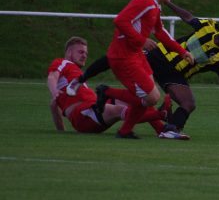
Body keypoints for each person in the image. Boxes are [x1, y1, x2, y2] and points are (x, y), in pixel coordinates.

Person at [68, 1, 219, 133]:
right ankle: (84, 78)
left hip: (175, 75)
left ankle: (170, 129)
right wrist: (168, 3)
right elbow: (188, 17)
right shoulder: (209, 26)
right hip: (161, 55)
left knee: (188, 103)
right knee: (118, 56)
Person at [94, 0, 194, 138]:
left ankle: (125, 129)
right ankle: (109, 94)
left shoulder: (154, 5)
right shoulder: (145, 2)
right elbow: (120, 21)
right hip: (123, 56)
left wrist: (182, 51)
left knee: (149, 97)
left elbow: (160, 32)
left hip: (135, 55)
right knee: (151, 97)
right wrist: (142, 40)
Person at [47, 36, 189, 140]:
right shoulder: (62, 62)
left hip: (93, 106)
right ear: (69, 52)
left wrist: (61, 131)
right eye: (81, 52)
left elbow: (54, 105)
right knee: (120, 110)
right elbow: (52, 77)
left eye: (86, 53)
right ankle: (161, 115)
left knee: (136, 99)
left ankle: (162, 129)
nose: (85, 55)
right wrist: (54, 92)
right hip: (83, 114)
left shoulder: (74, 74)